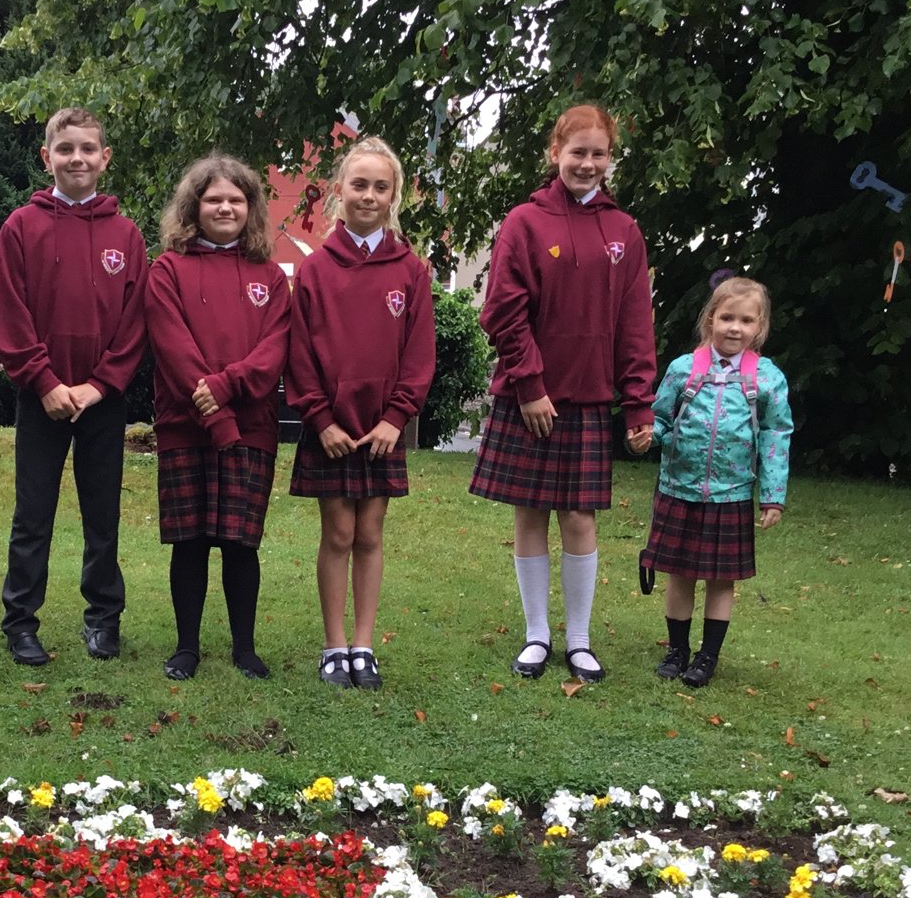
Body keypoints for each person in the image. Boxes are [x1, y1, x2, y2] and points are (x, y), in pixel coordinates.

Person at [470, 104, 656, 684]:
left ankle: (579, 641)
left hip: (589, 398)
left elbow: (634, 322)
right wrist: (529, 384)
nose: (588, 163)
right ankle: (536, 636)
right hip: (531, 397)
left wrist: (638, 403)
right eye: (578, 152)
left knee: (580, 518)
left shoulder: (624, 231)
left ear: (610, 159)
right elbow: (502, 309)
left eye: (599, 153)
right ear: (556, 153)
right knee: (530, 515)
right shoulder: (525, 222)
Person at [0, 107, 150, 666]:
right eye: (66, 149)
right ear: (47, 157)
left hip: (102, 403)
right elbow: (10, 315)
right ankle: (20, 622)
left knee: (101, 514)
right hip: (42, 400)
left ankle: (104, 620)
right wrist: (45, 382)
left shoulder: (126, 234)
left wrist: (99, 386)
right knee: (32, 515)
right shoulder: (21, 227)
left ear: (105, 159)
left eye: (88, 149)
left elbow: (135, 324)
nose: (76, 158)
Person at [284, 135, 436, 691]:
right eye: (359, 184)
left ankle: (364, 645)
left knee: (370, 533)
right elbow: (298, 353)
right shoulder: (317, 270)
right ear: (338, 192)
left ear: (393, 195)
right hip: (331, 429)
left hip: (381, 429)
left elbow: (419, 355)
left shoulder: (410, 270)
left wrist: (396, 418)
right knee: (339, 533)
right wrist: (320, 420)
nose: (368, 195)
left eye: (380, 186)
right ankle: (333, 645)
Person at [144, 153, 294, 680]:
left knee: (238, 541)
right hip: (186, 428)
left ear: (250, 207)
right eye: (214, 199)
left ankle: (244, 649)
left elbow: (272, 353)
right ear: (195, 206)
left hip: (250, 429)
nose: (225, 207)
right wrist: (215, 416)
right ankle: (186, 646)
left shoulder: (271, 278)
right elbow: (172, 348)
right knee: (189, 542)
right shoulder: (166, 270)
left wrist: (226, 391)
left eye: (236, 199)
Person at [641, 275, 792, 688]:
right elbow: (661, 417)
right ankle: (677, 650)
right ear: (710, 319)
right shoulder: (684, 370)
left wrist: (772, 496)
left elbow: (776, 435)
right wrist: (647, 434)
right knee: (680, 574)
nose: (734, 328)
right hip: (679, 490)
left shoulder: (767, 379)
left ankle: (708, 656)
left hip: (732, 495)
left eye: (746, 320)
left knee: (721, 579)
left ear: (758, 327)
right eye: (727, 317)